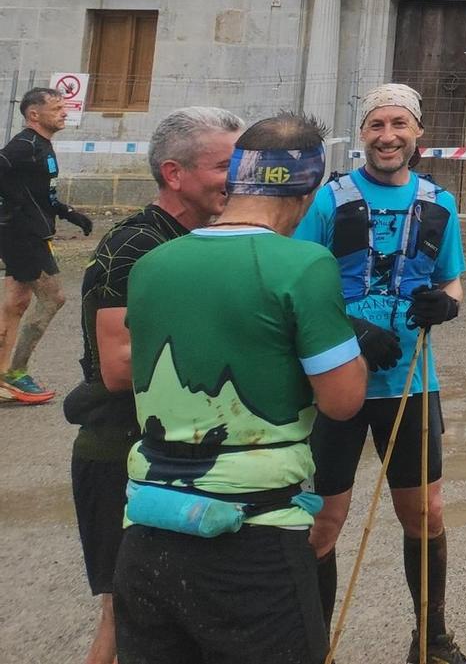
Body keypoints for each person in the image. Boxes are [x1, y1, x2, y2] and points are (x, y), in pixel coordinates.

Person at [114, 114, 369, 664]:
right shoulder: (303, 264)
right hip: (252, 533)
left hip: (148, 525)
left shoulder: (153, 262)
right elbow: (342, 401)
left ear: (238, 179)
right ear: (307, 191)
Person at [295, 84, 466, 664]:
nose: (387, 136)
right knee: (323, 522)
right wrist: (347, 326)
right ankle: (311, 645)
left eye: (399, 124)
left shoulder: (440, 203)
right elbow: (297, 285)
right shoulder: (330, 201)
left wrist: (447, 305)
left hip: (412, 382)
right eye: (376, 125)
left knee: (425, 512)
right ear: (363, 134)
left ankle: (433, 642)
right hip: (334, 381)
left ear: (418, 133)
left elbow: (452, 280)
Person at [67, 107, 242, 664]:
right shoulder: (135, 246)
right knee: (124, 623)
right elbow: (119, 367)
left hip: (174, 450)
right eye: (223, 165)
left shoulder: (199, 240)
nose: (236, 179)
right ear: (174, 173)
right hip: (119, 452)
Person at [1, 85, 92, 404]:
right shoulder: (23, 146)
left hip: (33, 232)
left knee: (17, 303)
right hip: (22, 235)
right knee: (53, 297)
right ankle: (15, 373)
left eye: (63, 106)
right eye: (57, 108)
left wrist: (69, 212)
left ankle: (3, 375)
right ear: (34, 114)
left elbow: (43, 193)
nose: (64, 112)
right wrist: (8, 211)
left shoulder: (42, 146)